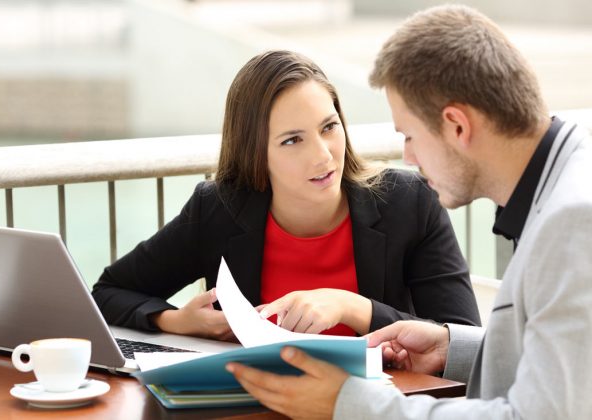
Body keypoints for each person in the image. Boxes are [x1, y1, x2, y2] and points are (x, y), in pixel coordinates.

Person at [225, 5, 592, 419]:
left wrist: (348, 405)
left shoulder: (572, 223)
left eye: (410, 136)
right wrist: (451, 347)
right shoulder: (570, 181)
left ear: (457, 126)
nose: (409, 157)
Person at [92, 50, 480, 341]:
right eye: (292, 140)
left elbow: (464, 340)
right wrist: (176, 320)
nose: (323, 155)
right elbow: (108, 292)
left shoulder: (408, 202)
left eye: (329, 127)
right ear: (256, 153)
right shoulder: (219, 208)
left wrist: (352, 307)